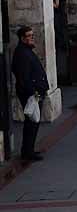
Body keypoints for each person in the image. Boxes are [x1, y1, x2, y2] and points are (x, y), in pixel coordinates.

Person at [12, 26, 49, 162]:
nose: (32, 38)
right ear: (22, 38)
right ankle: (27, 152)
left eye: (32, 35)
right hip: (31, 94)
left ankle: (29, 149)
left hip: (34, 92)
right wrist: (34, 93)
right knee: (32, 122)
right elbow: (23, 77)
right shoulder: (22, 53)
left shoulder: (26, 51)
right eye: (29, 36)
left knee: (33, 122)